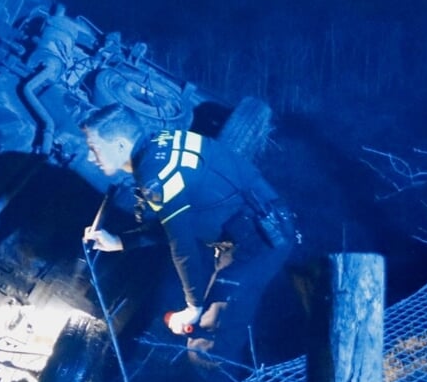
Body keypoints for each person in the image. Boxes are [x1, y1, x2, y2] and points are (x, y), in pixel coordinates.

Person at [80, 104, 298, 364]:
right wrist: (120, 242)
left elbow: (181, 244)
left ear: (118, 145)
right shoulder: (159, 142)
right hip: (245, 231)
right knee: (209, 320)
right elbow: (175, 222)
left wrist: (192, 307)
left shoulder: (155, 174)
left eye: (94, 148)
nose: (91, 156)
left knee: (208, 340)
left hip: (261, 241)